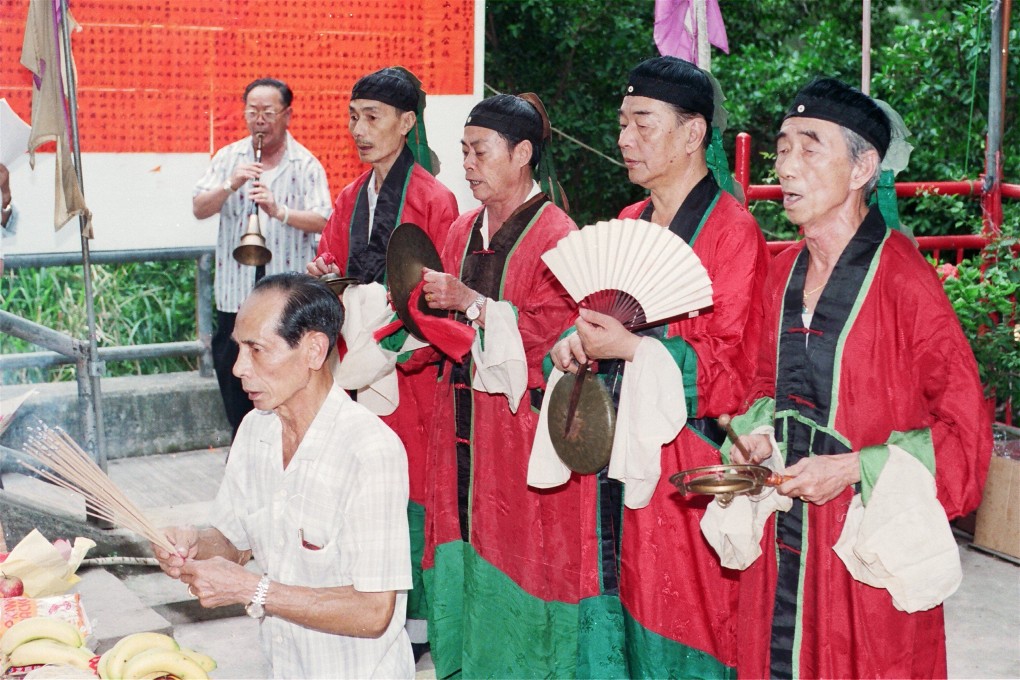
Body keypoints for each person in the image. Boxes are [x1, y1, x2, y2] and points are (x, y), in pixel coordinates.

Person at [727, 77, 991, 678]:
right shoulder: (781, 271)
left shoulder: (906, 283)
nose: (786, 166)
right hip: (781, 539)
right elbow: (755, 387)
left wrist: (853, 468)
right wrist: (758, 433)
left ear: (862, 166)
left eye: (809, 146)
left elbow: (966, 441)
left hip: (863, 550)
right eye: (782, 147)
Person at [547, 56, 770, 677]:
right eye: (622, 123)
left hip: (686, 462)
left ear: (694, 133)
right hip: (613, 454)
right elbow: (595, 318)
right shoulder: (627, 223)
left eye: (642, 123)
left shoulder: (733, 232)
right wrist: (574, 341)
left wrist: (636, 350)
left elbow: (732, 368)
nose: (624, 139)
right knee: (613, 603)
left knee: (682, 618)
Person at [151, 272, 414, 679]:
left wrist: (251, 589)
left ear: (313, 350)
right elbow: (234, 543)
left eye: (257, 350)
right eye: (239, 348)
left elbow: (375, 610)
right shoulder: (257, 429)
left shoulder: (368, 450)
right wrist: (193, 543)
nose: (239, 368)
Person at [416, 93, 579, 678]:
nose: (467, 165)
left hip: (519, 429)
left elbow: (555, 334)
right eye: (462, 152)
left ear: (523, 154)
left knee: (519, 553)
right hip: (457, 424)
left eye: (479, 151)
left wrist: (476, 307)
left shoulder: (559, 235)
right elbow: (435, 323)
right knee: (458, 542)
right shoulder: (461, 229)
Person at [305, 66, 458, 654]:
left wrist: (393, 338)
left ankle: (414, 627)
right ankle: (366, 609)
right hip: (356, 368)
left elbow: (437, 297)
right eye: (353, 116)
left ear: (407, 121)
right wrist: (326, 275)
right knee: (364, 491)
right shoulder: (349, 197)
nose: (359, 129)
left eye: (372, 117)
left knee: (411, 495)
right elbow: (334, 266)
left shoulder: (434, 198)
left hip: (410, 370)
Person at [193, 78, 331, 436]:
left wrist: (278, 210)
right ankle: (242, 446)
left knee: (283, 376)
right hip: (236, 293)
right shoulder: (228, 158)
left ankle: (284, 445)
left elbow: (323, 218)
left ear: (287, 115)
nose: (259, 120)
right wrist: (231, 184)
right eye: (252, 112)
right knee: (232, 370)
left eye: (268, 112)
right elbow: (198, 208)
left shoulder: (305, 164)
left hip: (286, 300)